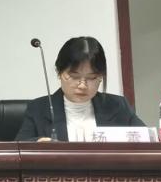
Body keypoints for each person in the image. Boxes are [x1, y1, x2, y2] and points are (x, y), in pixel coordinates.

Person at [15, 36, 145, 142]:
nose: (82, 85)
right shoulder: (38, 109)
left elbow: (148, 140)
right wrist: (38, 143)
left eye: (92, 78)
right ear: (59, 73)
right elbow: (19, 147)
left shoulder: (118, 106)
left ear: (101, 76)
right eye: (74, 76)